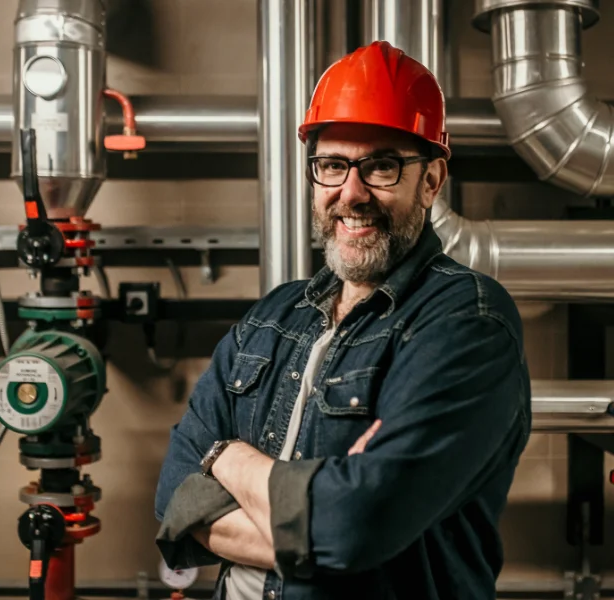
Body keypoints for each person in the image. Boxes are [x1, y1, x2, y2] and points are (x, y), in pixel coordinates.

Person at [154, 40, 532, 600]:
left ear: (431, 181)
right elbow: (172, 501)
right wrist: (313, 525)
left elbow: (352, 527)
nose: (350, 193)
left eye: (380, 166)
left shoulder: (467, 322)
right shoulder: (272, 317)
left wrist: (225, 458)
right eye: (332, 165)